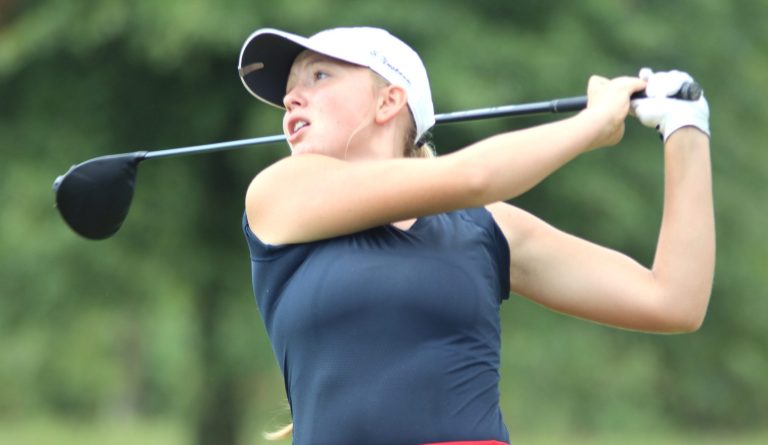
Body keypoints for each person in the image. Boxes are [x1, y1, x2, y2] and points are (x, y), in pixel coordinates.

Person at [238, 26, 714, 445]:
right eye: (290, 90)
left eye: (319, 76)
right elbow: (474, 176)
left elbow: (672, 301)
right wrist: (591, 124)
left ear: (389, 101)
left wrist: (686, 125)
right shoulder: (279, 193)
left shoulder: (484, 225)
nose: (292, 98)